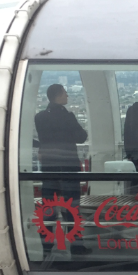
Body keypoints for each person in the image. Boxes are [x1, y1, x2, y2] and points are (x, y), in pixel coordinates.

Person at [35, 84, 89, 253]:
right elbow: (82, 137)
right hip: (68, 166)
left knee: (48, 208)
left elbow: (45, 139)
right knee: (72, 208)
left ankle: (47, 246)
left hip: (49, 167)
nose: (67, 96)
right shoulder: (68, 117)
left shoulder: (40, 117)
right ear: (58, 95)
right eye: (65, 93)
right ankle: (76, 246)